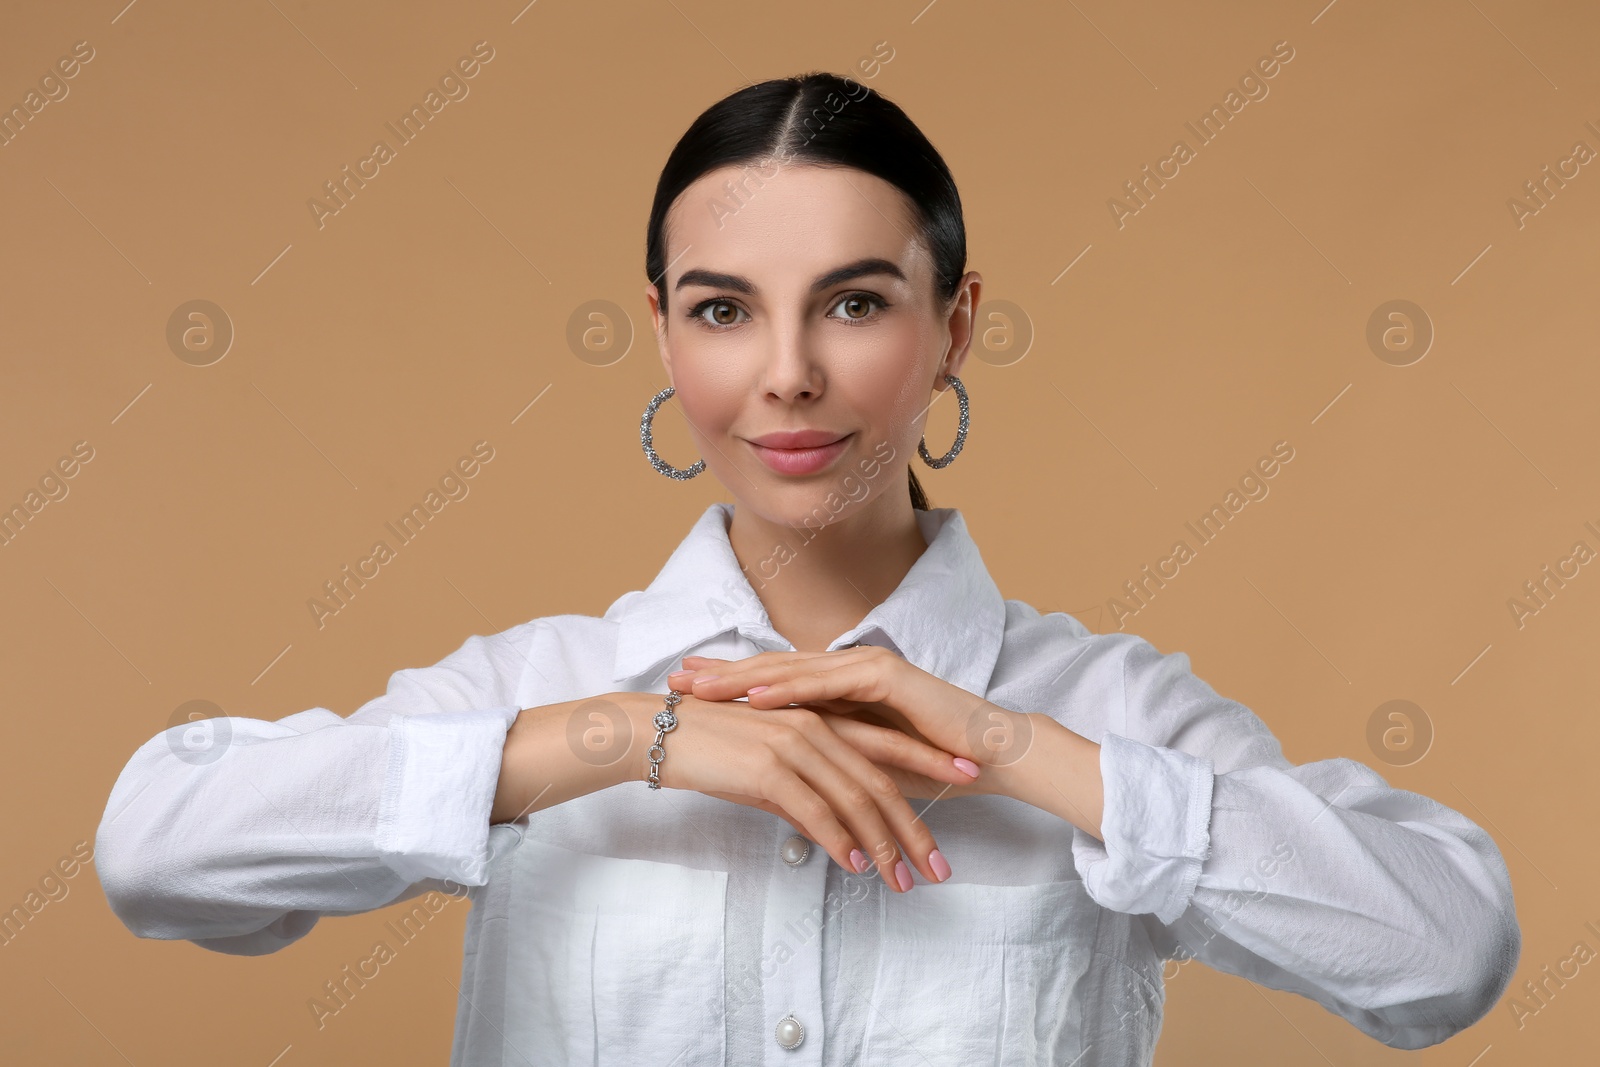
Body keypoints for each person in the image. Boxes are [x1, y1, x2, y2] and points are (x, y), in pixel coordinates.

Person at [95, 71, 1521, 1066]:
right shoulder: (541, 690)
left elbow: (1446, 954)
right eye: (725, 311)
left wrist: (1009, 746)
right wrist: (619, 739)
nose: (787, 375)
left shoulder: (1104, 710)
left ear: (955, 326)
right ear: (663, 337)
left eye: (854, 302)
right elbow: (154, 851)